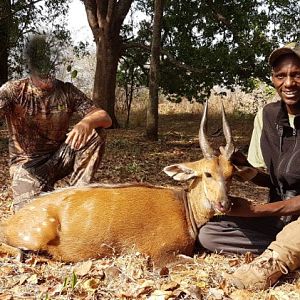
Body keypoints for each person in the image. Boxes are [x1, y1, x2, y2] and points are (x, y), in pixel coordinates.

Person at [198, 42, 300, 290]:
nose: (288, 83)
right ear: (273, 79)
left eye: (297, 74)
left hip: (286, 214)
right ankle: (291, 249)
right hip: (281, 219)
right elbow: (274, 179)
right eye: (281, 75)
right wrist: (247, 170)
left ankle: (273, 262)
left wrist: (256, 211)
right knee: (210, 233)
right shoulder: (266, 116)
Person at [0, 35, 112, 211]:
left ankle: (77, 195)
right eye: (41, 73)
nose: (47, 78)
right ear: (30, 68)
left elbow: (105, 117)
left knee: (94, 133)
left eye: (50, 71)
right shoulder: (13, 91)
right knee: (28, 217)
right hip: (28, 165)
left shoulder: (66, 90)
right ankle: (42, 193)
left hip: (59, 158)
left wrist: (87, 122)